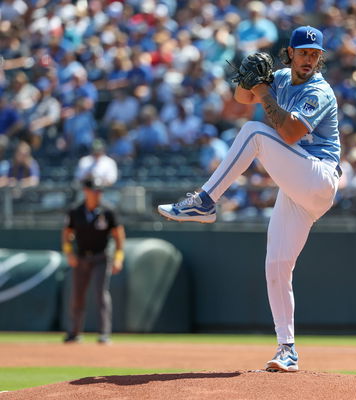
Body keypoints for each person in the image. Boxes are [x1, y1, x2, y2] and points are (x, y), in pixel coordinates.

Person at [158, 26, 340, 372]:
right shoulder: (282, 78)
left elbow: (289, 133)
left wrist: (262, 90)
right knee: (276, 266)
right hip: (296, 188)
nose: (309, 59)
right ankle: (287, 349)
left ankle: (205, 200)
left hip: (319, 178)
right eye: (303, 52)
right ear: (290, 53)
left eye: (315, 54)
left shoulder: (319, 90)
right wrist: (248, 81)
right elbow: (241, 100)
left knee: (254, 132)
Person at [62, 178, 125, 344]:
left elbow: (119, 235)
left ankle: (104, 334)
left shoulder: (108, 210)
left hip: (101, 257)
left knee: (100, 294)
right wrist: (69, 253)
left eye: (99, 191)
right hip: (81, 257)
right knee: (77, 295)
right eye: (94, 191)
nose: (98, 194)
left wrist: (118, 257)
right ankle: (74, 333)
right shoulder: (75, 211)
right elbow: (67, 233)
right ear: (86, 191)